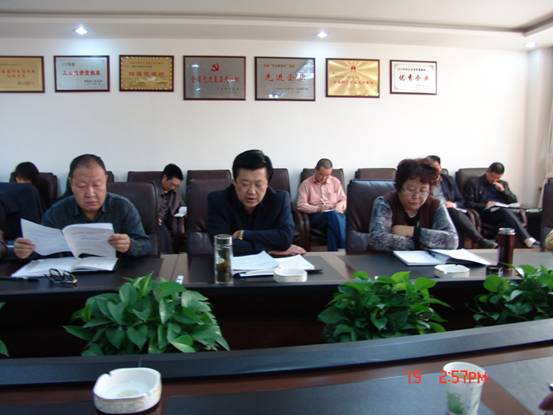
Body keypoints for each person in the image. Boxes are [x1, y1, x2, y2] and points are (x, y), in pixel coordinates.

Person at [14, 154, 152, 259]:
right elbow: (40, 250)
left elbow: (146, 245)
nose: (90, 194)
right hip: (70, 280)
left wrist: (129, 245)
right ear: (71, 184)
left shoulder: (123, 207)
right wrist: (25, 251)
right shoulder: (56, 212)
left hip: (115, 279)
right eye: (81, 186)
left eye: (97, 185)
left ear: (106, 181)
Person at [207, 149, 305, 256]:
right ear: (234, 182)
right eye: (245, 184)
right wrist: (268, 249)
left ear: (267, 183)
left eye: (258, 185)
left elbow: (285, 239)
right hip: (233, 264)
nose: (252, 192)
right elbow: (222, 246)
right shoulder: (218, 201)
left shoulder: (280, 199)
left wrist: (243, 234)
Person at [367, 158, 458, 252]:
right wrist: (426, 243)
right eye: (410, 189)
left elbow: (452, 241)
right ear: (399, 187)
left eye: (423, 190)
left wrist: (413, 232)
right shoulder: (385, 202)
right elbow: (377, 240)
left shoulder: (435, 205)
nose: (416, 196)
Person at [426, 156, 497, 249]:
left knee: (453, 213)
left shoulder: (448, 180)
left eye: (435, 167)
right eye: (430, 168)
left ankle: (460, 248)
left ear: (440, 167)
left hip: (449, 209)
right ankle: (479, 240)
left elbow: (461, 200)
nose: (433, 171)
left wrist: (454, 204)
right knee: (452, 212)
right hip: (432, 209)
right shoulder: (423, 181)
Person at [463, 162, 536, 248]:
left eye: (498, 178)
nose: (494, 180)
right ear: (487, 172)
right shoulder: (474, 183)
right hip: (486, 213)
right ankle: (527, 239)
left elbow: (514, 201)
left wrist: (503, 191)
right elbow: (468, 203)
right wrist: (485, 205)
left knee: (505, 222)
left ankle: (502, 248)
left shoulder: (503, 184)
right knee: (504, 211)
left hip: (504, 214)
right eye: (492, 176)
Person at [296, 158, 346, 251]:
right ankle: (344, 247)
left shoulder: (335, 182)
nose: (324, 178)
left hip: (335, 214)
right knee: (333, 216)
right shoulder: (306, 184)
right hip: (317, 216)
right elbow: (300, 205)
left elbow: (343, 200)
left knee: (332, 226)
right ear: (315, 170)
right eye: (321, 174)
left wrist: (339, 206)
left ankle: (333, 255)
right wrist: (318, 208)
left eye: (327, 175)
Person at [154, 163, 185, 253]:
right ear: (164, 177)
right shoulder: (151, 189)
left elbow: (182, 204)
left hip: (170, 220)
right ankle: (168, 258)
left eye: (177, 186)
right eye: (172, 184)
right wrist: (154, 218)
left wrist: (183, 210)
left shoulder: (175, 191)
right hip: (156, 222)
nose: (174, 188)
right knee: (163, 233)